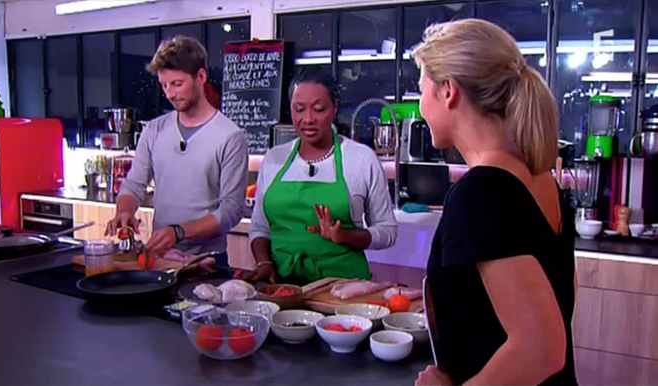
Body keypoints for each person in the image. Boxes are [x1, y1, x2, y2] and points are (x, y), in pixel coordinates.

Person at [412, 19, 578, 386]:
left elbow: (542, 349)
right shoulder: (542, 182)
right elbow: (559, 307)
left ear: (448, 91)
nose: (421, 105)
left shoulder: (479, 193)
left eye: (422, 89)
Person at [244, 68, 397, 285]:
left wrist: (344, 236)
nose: (308, 119)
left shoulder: (361, 159)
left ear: (334, 108)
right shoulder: (274, 158)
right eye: (299, 109)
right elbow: (260, 228)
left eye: (318, 109)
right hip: (282, 286)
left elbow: (388, 231)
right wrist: (263, 263)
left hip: (343, 289)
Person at [105, 35, 248, 268]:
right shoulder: (154, 130)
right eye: (164, 85)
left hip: (208, 260)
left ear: (201, 77)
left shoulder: (229, 136)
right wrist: (125, 210)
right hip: (160, 257)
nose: (170, 94)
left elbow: (231, 211)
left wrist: (179, 232)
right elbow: (134, 185)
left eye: (177, 84)